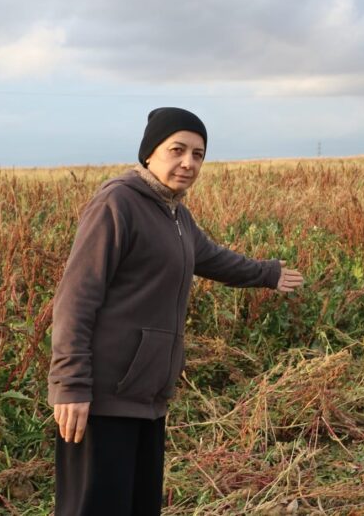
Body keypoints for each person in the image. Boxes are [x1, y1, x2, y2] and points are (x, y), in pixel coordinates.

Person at [47, 107, 304, 515]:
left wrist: (267, 274)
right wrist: (71, 384)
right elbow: (76, 299)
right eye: (177, 150)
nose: (188, 163)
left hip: (147, 395)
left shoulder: (176, 214)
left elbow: (213, 259)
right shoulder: (117, 203)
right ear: (150, 153)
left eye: (198, 154)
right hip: (102, 396)